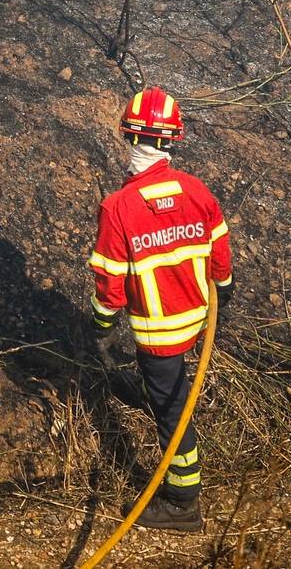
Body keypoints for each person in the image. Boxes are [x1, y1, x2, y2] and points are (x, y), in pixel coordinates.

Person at [88, 87, 234, 532]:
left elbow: (110, 279)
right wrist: (222, 291)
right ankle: (148, 394)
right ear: (172, 141)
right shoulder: (196, 190)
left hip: (158, 334)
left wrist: (102, 322)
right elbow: (220, 252)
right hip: (197, 317)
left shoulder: (119, 207)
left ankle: (183, 502)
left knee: (172, 412)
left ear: (130, 138)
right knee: (168, 392)